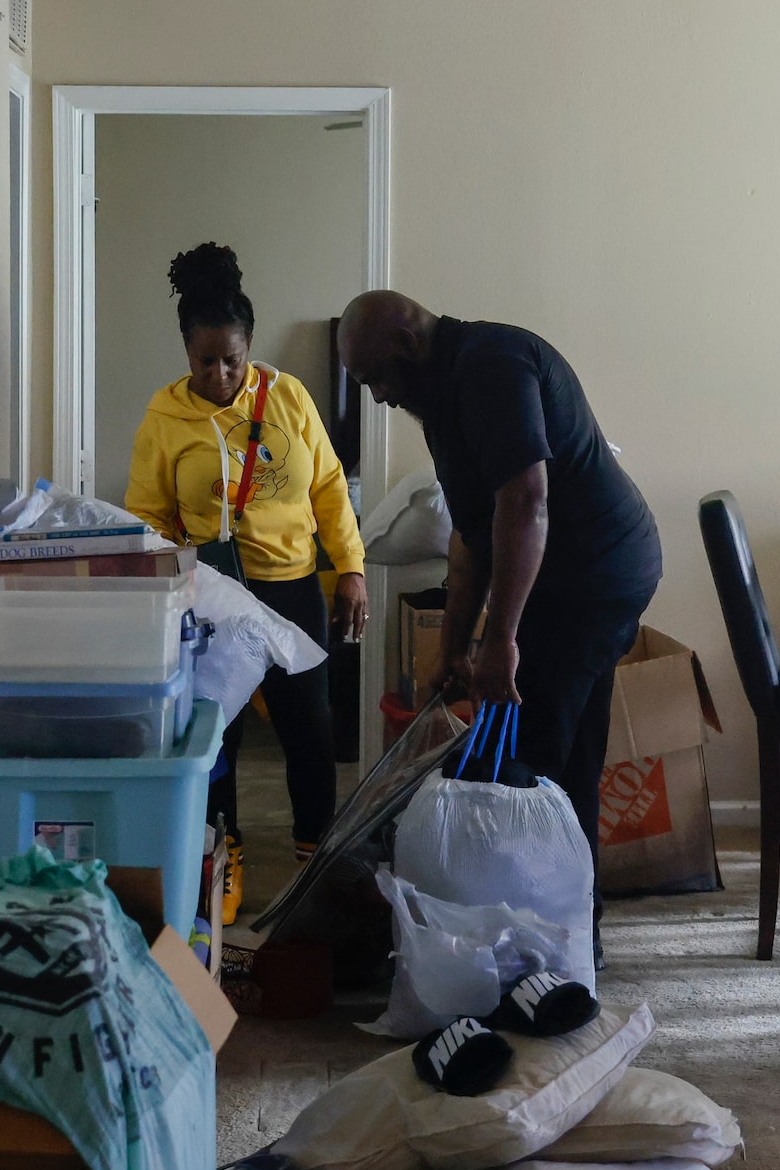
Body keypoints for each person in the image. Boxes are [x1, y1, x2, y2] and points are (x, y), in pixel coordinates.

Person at [336, 291, 661, 920]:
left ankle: (551, 934)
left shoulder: (491, 365)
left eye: (376, 377)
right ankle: (566, 922)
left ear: (406, 344)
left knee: (533, 762)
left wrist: (502, 642)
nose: (377, 395)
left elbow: (525, 502)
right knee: (565, 751)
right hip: (573, 577)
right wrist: (454, 645)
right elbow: (471, 536)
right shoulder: (440, 397)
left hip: (596, 574)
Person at [125, 245, 368, 854]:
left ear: (250, 345)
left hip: (291, 586)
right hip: (211, 593)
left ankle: (314, 848)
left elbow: (330, 487)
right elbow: (146, 515)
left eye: (231, 360)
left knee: (308, 726)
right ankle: (218, 853)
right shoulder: (165, 416)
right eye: (205, 362)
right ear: (186, 351)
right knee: (215, 733)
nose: (219, 375)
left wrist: (351, 570)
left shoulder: (290, 399)